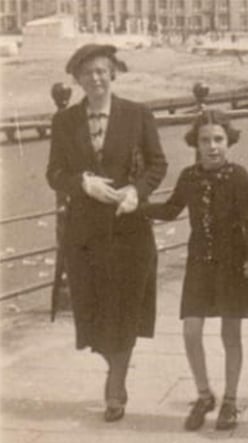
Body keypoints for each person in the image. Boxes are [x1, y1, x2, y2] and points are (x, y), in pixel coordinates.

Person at [46, 44, 168, 422]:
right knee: (94, 312)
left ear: (113, 73)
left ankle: (115, 385)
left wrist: (137, 192)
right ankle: (113, 366)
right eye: (87, 74)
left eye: (102, 71)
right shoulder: (65, 122)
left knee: (125, 310)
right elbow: (54, 174)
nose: (95, 79)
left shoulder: (138, 114)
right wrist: (82, 184)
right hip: (84, 236)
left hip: (129, 231)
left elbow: (157, 164)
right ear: (77, 80)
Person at [141, 110, 248, 431]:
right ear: (195, 144)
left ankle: (231, 400)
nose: (212, 146)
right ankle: (204, 394)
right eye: (205, 140)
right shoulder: (189, 177)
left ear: (229, 141)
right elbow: (170, 210)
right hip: (199, 264)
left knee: (230, 335)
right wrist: (135, 208)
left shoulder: (238, 176)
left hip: (232, 266)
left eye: (219, 139)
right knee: (190, 331)